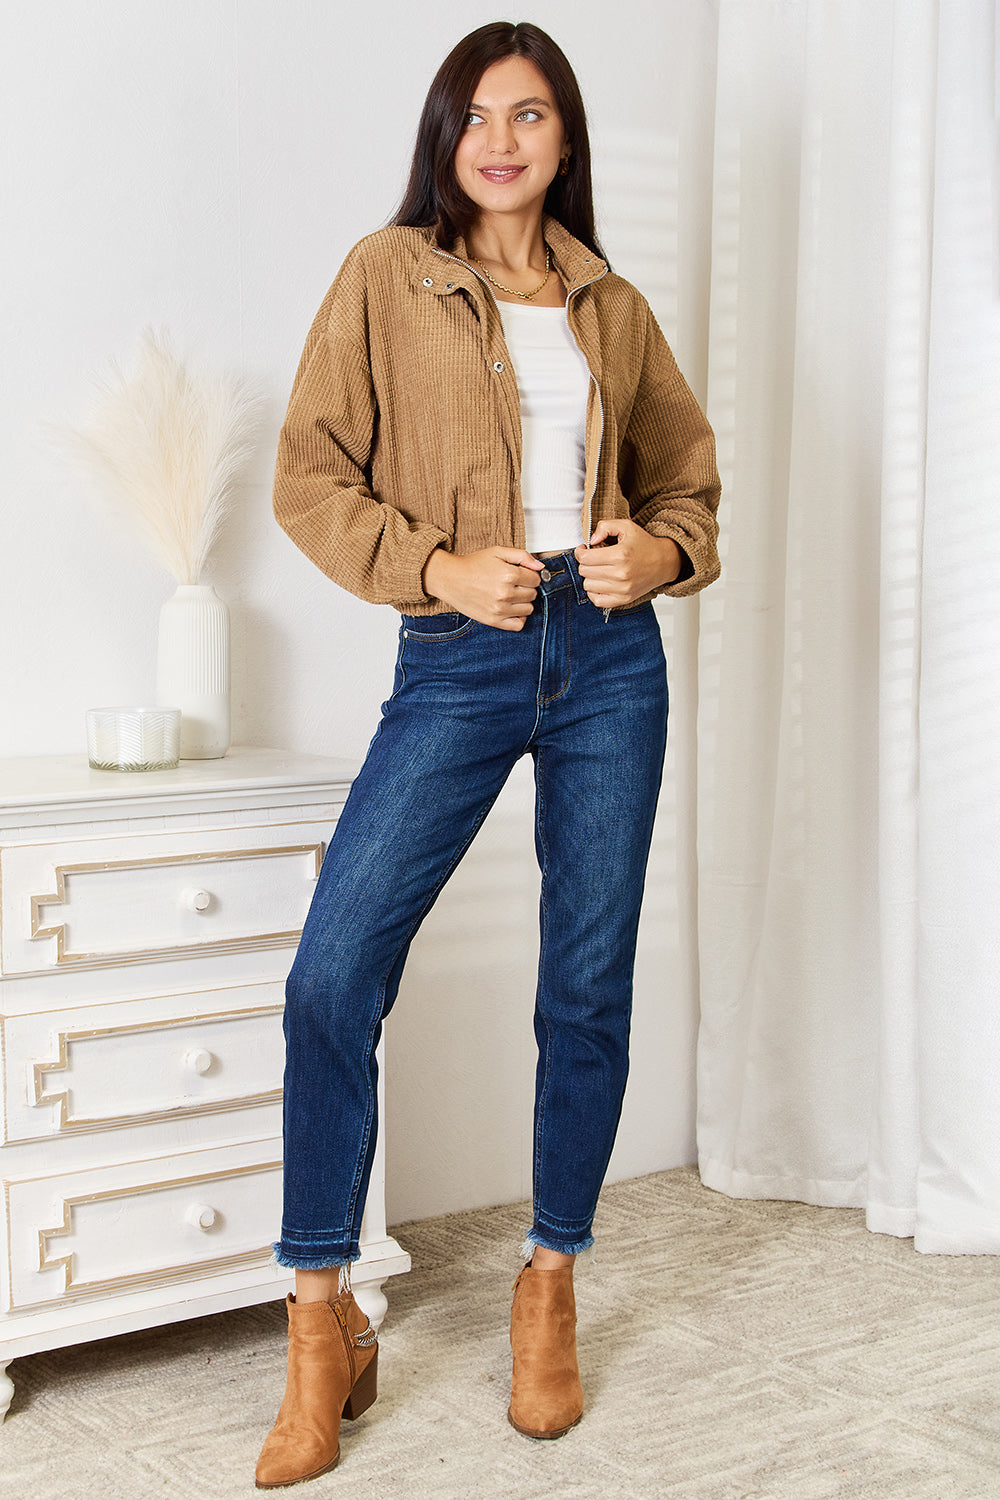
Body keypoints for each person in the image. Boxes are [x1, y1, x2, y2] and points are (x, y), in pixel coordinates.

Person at [254, 19, 721, 1489]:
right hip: (457, 657)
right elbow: (307, 474)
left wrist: (656, 550)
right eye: (476, 114)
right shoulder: (385, 276)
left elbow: (690, 492)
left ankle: (549, 1285)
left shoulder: (612, 305)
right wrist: (441, 571)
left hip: (607, 667)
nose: (502, 139)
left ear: (565, 138)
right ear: (444, 134)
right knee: (334, 973)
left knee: (585, 984)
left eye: (530, 115)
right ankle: (322, 1326)